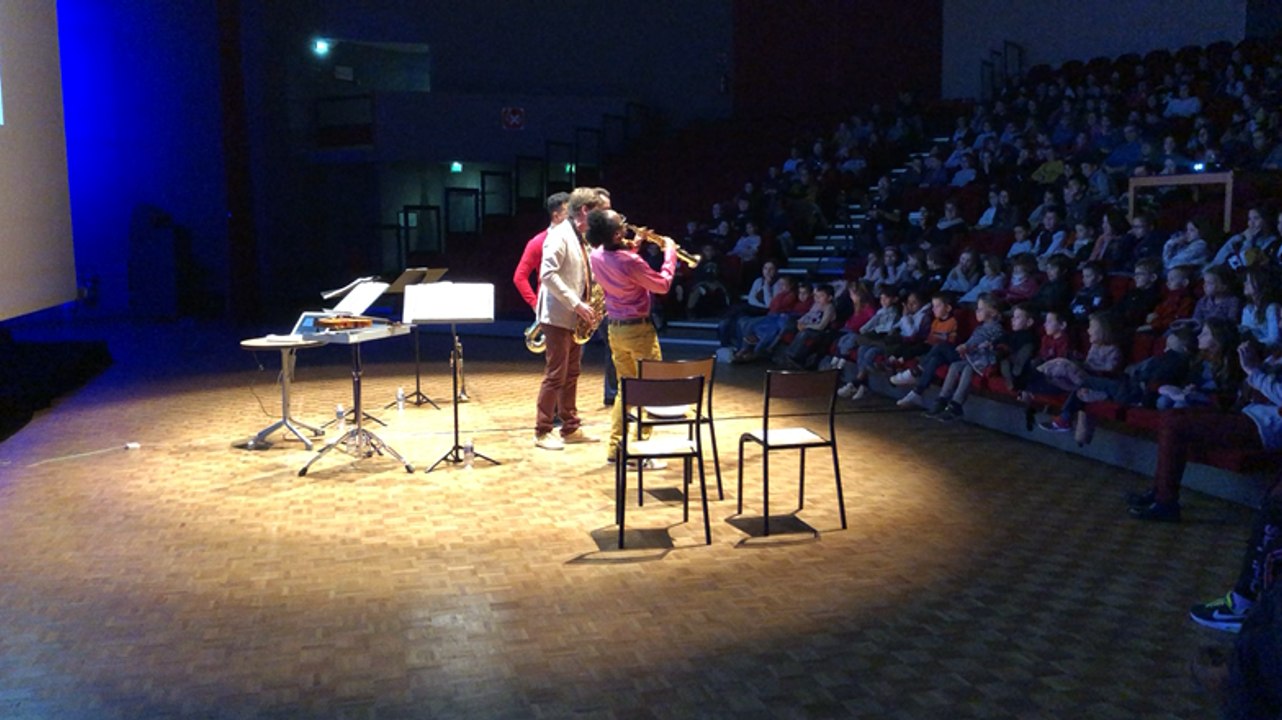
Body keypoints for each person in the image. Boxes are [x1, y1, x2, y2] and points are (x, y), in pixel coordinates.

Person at [1128, 338, 1278, 522]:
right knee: (1171, 416)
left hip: (1265, 427)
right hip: (1247, 413)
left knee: (1176, 424)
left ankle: (1165, 500)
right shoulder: (1275, 355)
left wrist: (1254, 371)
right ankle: (1160, 491)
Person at [587, 208, 679, 465]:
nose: (627, 227)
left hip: (615, 329)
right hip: (638, 331)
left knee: (625, 389)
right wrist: (670, 253)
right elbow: (662, 285)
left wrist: (635, 245)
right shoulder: (630, 262)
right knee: (649, 388)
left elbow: (620, 264)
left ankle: (615, 449)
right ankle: (641, 451)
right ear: (616, 235)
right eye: (622, 226)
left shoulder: (596, 254)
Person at [533, 187, 607, 451]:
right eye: (599, 212)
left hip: (575, 316)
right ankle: (542, 431)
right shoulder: (559, 235)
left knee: (572, 372)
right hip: (558, 315)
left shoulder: (581, 236)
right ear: (585, 210)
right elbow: (547, 274)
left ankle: (570, 427)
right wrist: (577, 304)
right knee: (556, 374)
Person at [922, 293, 1005, 420]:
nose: (977, 312)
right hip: (972, 358)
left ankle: (956, 404)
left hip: (984, 361)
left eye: (980, 309)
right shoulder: (980, 328)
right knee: (955, 366)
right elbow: (972, 342)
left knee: (967, 370)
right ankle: (942, 399)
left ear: (993, 312)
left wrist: (968, 347)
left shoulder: (997, 329)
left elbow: (988, 345)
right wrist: (965, 347)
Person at [512, 192, 570, 311]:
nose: (573, 218)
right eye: (569, 214)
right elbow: (519, 277)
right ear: (556, 216)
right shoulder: (538, 242)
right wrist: (535, 304)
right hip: (550, 308)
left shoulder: (577, 240)